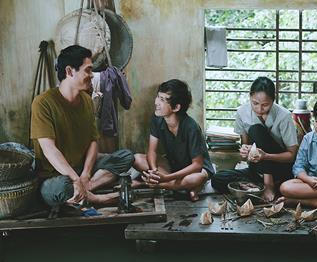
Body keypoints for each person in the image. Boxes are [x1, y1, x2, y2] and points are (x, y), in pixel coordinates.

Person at [31, 45, 134, 207]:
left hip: (81, 169)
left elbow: (93, 141)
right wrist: (74, 178)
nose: (92, 75)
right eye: (88, 70)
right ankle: (98, 199)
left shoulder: (86, 101)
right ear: (70, 71)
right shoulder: (43, 103)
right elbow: (49, 149)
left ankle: (87, 188)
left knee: (126, 156)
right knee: (59, 189)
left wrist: (85, 174)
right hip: (56, 176)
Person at [211, 77, 299, 202]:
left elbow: (291, 156)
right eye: (255, 103)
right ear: (250, 97)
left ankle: (268, 185)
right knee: (218, 179)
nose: (259, 109)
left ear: (273, 101)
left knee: (256, 130)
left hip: (280, 169)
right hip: (257, 170)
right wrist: (245, 151)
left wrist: (266, 156)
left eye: (265, 105)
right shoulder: (242, 112)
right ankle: (259, 186)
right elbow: (245, 148)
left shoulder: (284, 116)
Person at [135, 79, 215, 202]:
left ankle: (149, 184)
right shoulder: (157, 118)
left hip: (195, 170)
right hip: (174, 167)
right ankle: (186, 188)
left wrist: (165, 179)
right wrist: (154, 172)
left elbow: (197, 165)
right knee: (137, 159)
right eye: (158, 97)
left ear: (176, 107)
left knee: (197, 178)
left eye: (162, 100)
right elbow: (152, 151)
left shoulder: (191, 127)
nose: (156, 102)